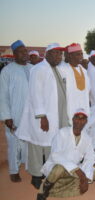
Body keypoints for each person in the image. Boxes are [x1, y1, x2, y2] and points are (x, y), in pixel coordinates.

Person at [16, 43, 66, 188]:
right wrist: (42, 117)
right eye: (56, 53)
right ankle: (36, 176)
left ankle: (47, 172)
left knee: (50, 146)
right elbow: (35, 94)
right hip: (43, 116)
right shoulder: (39, 69)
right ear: (48, 54)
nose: (59, 56)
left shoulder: (56, 69)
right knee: (37, 146)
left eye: (60, 54)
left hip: (55, 115)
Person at [37, 109, 95, 200]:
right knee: (59, 169)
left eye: (82, 119)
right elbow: (55, 155)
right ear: (73, 119)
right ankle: (45, 191)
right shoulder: (62, 133)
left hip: (73, 170)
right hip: (57, 168)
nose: (79, 121)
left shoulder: (87, 138)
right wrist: (79, 172)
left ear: (85, 121)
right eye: (77, 118)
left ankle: (57, 188)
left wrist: (84, 178)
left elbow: (90, 158)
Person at [0, 40, 32, 182]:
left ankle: (27, 165)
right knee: (14, 142)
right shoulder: (7, 71)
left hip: (31, 113)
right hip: (15, 112)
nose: (25, 54)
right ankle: (13, 170)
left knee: (28, 141)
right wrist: (6, 116)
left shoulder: (32, 68)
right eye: (21, 51)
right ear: (14, 54)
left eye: (26, 51)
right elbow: (3, 95)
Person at [59, 43, 90, 123]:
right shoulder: (62, 69)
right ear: (70, 56)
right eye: (78, 54)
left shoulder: (84, 70)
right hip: (70, 108)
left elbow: (88, 90)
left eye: (81, 54)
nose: (81, 57)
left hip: (84, 107)